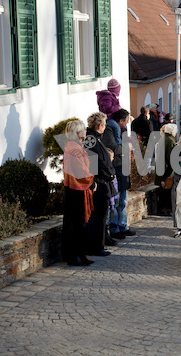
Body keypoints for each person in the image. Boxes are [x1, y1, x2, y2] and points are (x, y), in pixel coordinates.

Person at [62, 120, 95, 267]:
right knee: (76, 224)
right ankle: (74, 255)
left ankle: (80, 254)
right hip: (77, 190)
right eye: (83, 130)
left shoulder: (73, 147)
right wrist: (91, 179)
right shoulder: (74, 149)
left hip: (77, 189)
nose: (86, 132)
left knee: (78, 224)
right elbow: (81, 171)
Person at [85, 112, 117, 257]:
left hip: (102, 181)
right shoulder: (91, 140)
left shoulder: (95, 139)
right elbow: (96, 162)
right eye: (104, 125)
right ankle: (96, 246)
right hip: (98, 182)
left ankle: (99, 244)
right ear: (100, 126)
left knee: (101, 216)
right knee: (98, 216)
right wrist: (108, 174)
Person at [102, 108, 137, 240]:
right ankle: (115, 228)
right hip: (116, 167)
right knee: (116, 201)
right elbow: (111, 147)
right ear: (121, 121)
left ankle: (123, 225)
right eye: (127, 121)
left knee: (123, 200)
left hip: (123, 167)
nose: (128, 123)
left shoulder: (122, 131)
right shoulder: (110, 130)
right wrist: (125, 148)